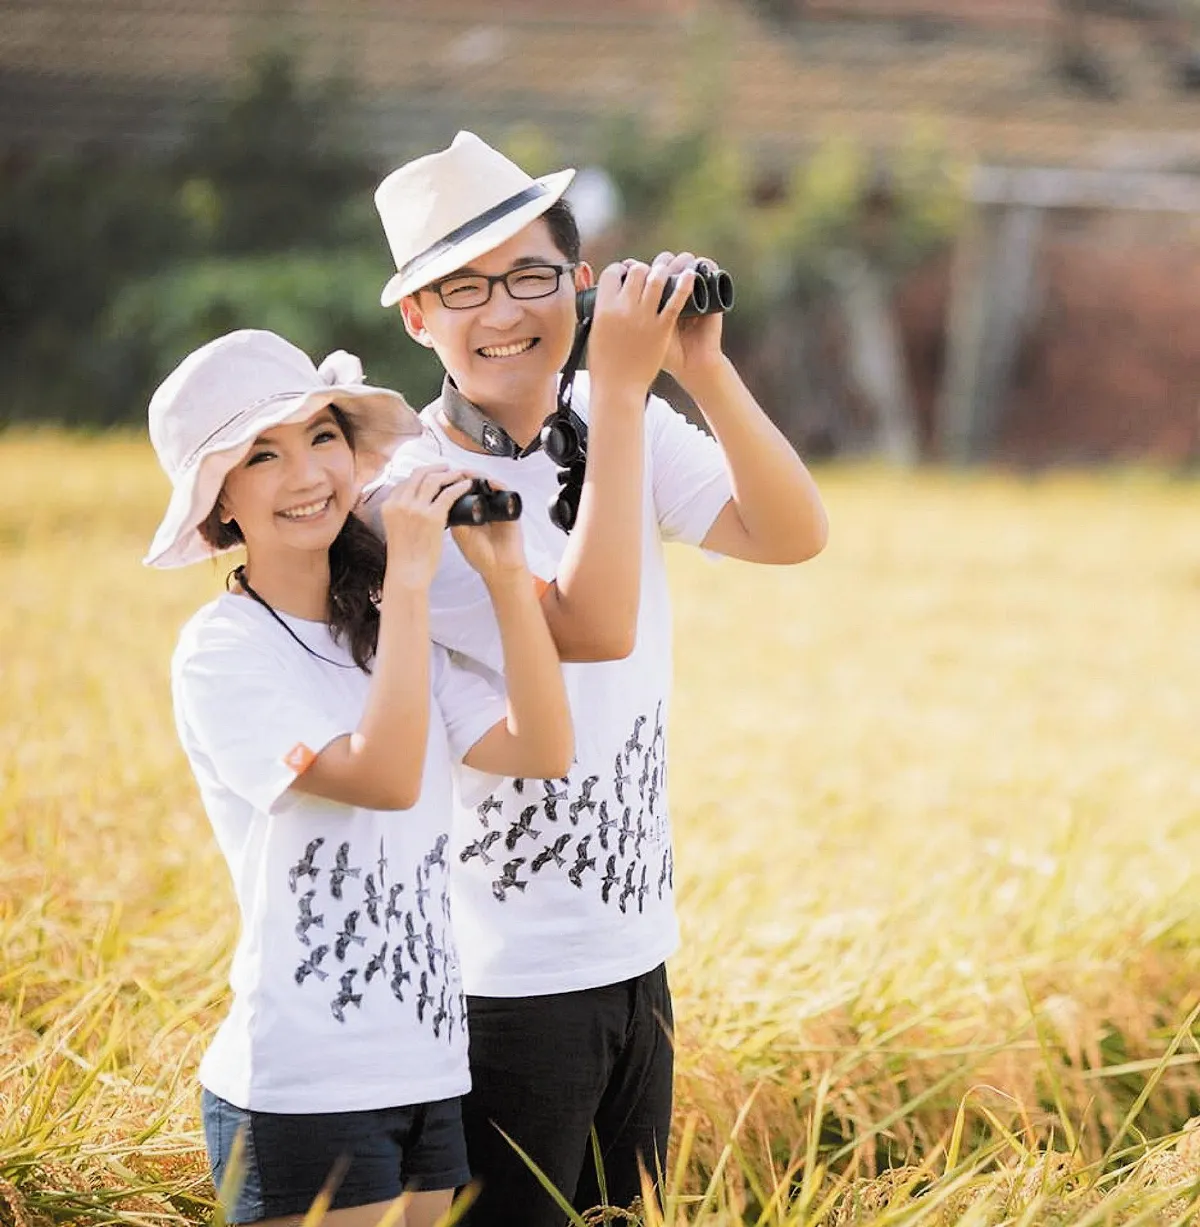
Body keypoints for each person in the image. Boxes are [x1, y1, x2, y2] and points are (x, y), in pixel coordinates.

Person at [366, 132, 829, 1224]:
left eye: (529, 276)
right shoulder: (411, 494)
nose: (502, 311)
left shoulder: (613, 421)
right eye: (461, 288)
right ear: (416, 319)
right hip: (501, 971)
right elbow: (593, 625)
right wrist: (619, 399)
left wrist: (699, 367)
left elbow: (793, 532)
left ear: (580, 283)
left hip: (635, 944)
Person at [143, 329, 573, 1227]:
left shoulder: (375, 634)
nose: (307, 475)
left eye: (323, 438)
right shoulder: (224, 653)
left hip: (425, 1066)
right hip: (303, 1086)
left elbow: (542, 747)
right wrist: (410, 582)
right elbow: (382, 776)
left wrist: (501, 575)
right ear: (219, 503)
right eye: (263, 454)